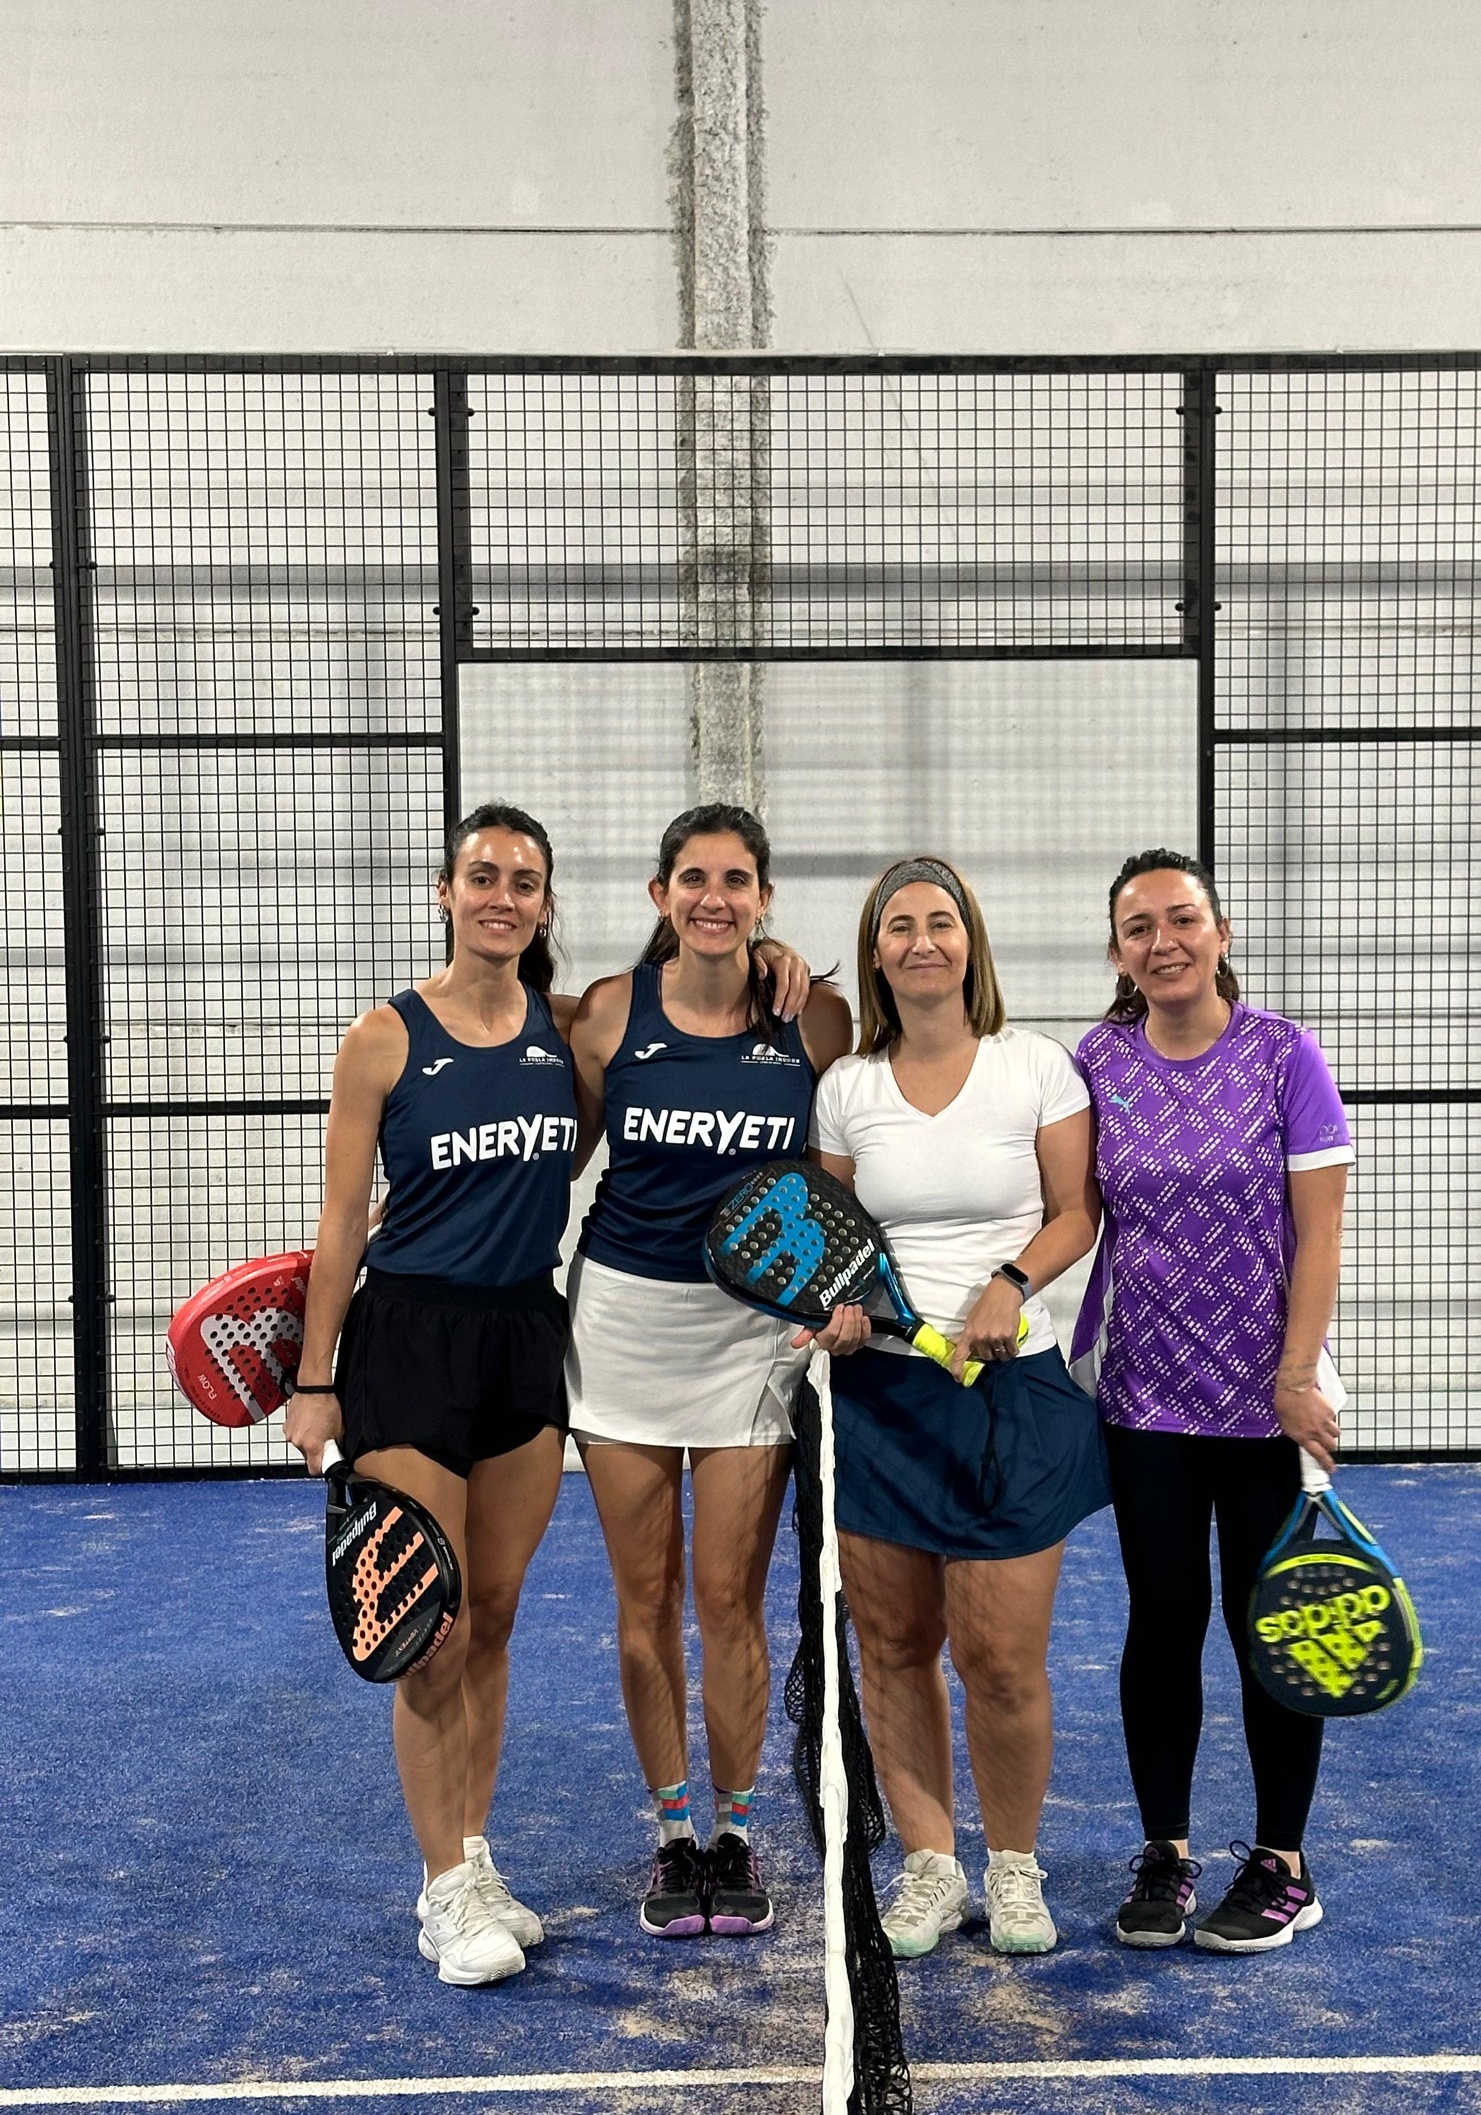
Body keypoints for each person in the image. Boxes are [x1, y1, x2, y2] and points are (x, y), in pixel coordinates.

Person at [285, 804, 580, 1986]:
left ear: (544, 906)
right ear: (446, 892)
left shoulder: (569, 1034)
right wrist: (314, 1381)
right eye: (483, 875)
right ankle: (443, 1891)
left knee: (493, 1614)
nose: (502, 895)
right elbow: (341, 1223)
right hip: (407, 1340)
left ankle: (472, 1850)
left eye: (524, 880)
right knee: (430, 1627)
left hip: (526, 1334)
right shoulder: (383, 1038)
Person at [807, 857, 1105, 1959]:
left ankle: (1014, 1869)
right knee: (894, 1645)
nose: (921, 940)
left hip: (1010, 1392)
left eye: (941, 922)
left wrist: (1010, 1283)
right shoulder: (847, 1087)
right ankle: (930, 1864)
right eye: (899, 926)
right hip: (881, 1398)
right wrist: (844, 1314)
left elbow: (1077, 1212)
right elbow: (838, 1244)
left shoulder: (1037, 1066)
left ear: (970, 941)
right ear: (876, 952)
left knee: (1002, 1658)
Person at [566, 805, 850, 1941]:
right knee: (644, 1600)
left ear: (764, 897)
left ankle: (735, 1832)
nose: (714, 898)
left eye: (736, 880)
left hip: (751, 1335)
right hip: (622, 1326)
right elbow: (560, 1153)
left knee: (729, 1601)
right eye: (694, 878)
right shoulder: (607, 1014)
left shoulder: (813, 1016)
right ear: (660, 895)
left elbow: (842, 1162)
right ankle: (673, 1830)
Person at [1071, 847, 1353, 1955]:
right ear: (1117, 953)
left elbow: (1320, 1234)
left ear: (1220, 933)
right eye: (1139, 927)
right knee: (1162, 1621)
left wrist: (1296, 1376)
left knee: (1265, 1623)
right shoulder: (1096, 1061)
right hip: (1142, 1399)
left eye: (1182, 919)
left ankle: (1284, 1862)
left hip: (1264, 1404)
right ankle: (1166, 1851)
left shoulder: (1286, 1055)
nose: (1164, 942)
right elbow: (1073, 1213)